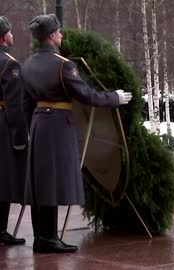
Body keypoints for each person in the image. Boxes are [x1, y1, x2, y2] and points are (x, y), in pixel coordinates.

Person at [21, 14, 132, 253]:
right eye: (58, 32)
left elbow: (25, 103)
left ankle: (41, 236)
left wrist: (31, 128)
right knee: (50, 182)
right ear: (51, 36)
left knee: (40, 182)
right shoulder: (64, 65)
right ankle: (49, 238)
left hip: (39, 125)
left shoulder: (27, 64)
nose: (61, 35)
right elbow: (87, 95)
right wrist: (115, 97)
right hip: (58, 126)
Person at [0, 16, 28, 245]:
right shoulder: (9, 64)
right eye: (9, 32)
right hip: (2, 126)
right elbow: (14, 105)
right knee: (5, 178)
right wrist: (20, 137)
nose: (12, 35)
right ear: (3, 37)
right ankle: (0, 229)